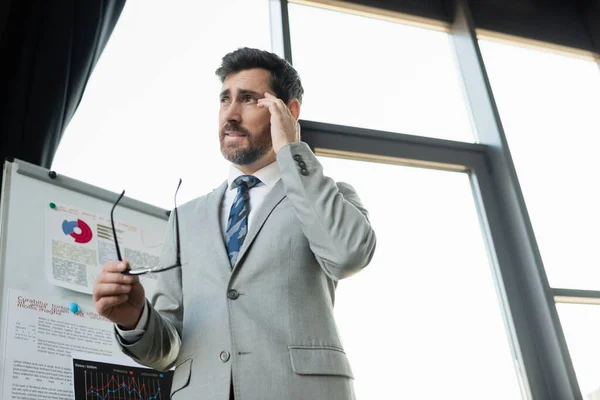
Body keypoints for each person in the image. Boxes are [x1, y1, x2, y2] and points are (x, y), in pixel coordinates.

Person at [92, 47, 377, 400]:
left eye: (248, 99)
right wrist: (134, 318)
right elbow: (169, 348)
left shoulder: (328, 197)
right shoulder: (186, 217)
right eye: (225, 99)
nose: (230, 114)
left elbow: (347, 255)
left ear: (288, 112)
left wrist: (292, 149)